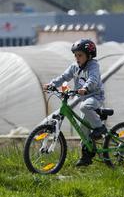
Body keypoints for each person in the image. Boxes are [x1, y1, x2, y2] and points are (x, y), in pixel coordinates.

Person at [45, 38, 106, 167]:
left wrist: (86, 88)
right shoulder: (74, 67)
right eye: (75, 55)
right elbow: (64, 77)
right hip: (84, 97)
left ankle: (100, 128)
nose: (77, 58)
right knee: (82, 129)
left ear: (89, 56)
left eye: (80, 55)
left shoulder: (93, 66)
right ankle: (86, 157)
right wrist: (52, 84)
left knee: (85, 107)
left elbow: (93, 79)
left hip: (95, 96)